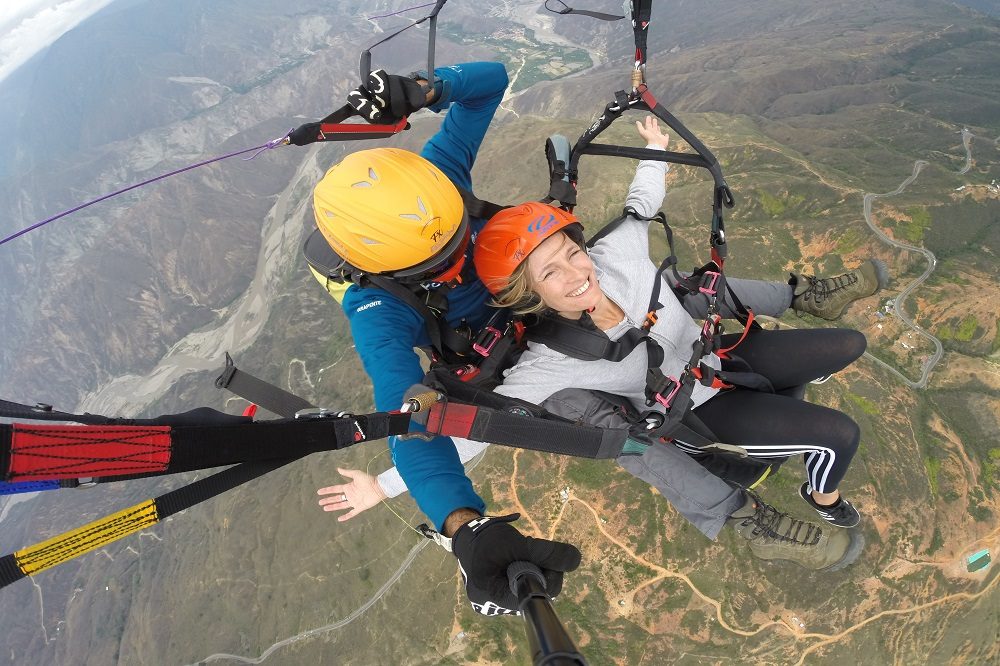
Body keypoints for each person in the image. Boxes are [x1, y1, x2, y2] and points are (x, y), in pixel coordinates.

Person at [309, 64, 881, 610]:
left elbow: (491, 86)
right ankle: (742, 516)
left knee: (681, 286)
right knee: (612, 431)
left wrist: (424, 89)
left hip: (693, 354)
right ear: (401, 270)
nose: (463, 252)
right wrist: (431, 510)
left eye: (462, 232)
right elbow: (427, 424)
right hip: (576, 370)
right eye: (443, 255)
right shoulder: (384, 311)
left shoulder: (450, 196)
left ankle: (802, 298)